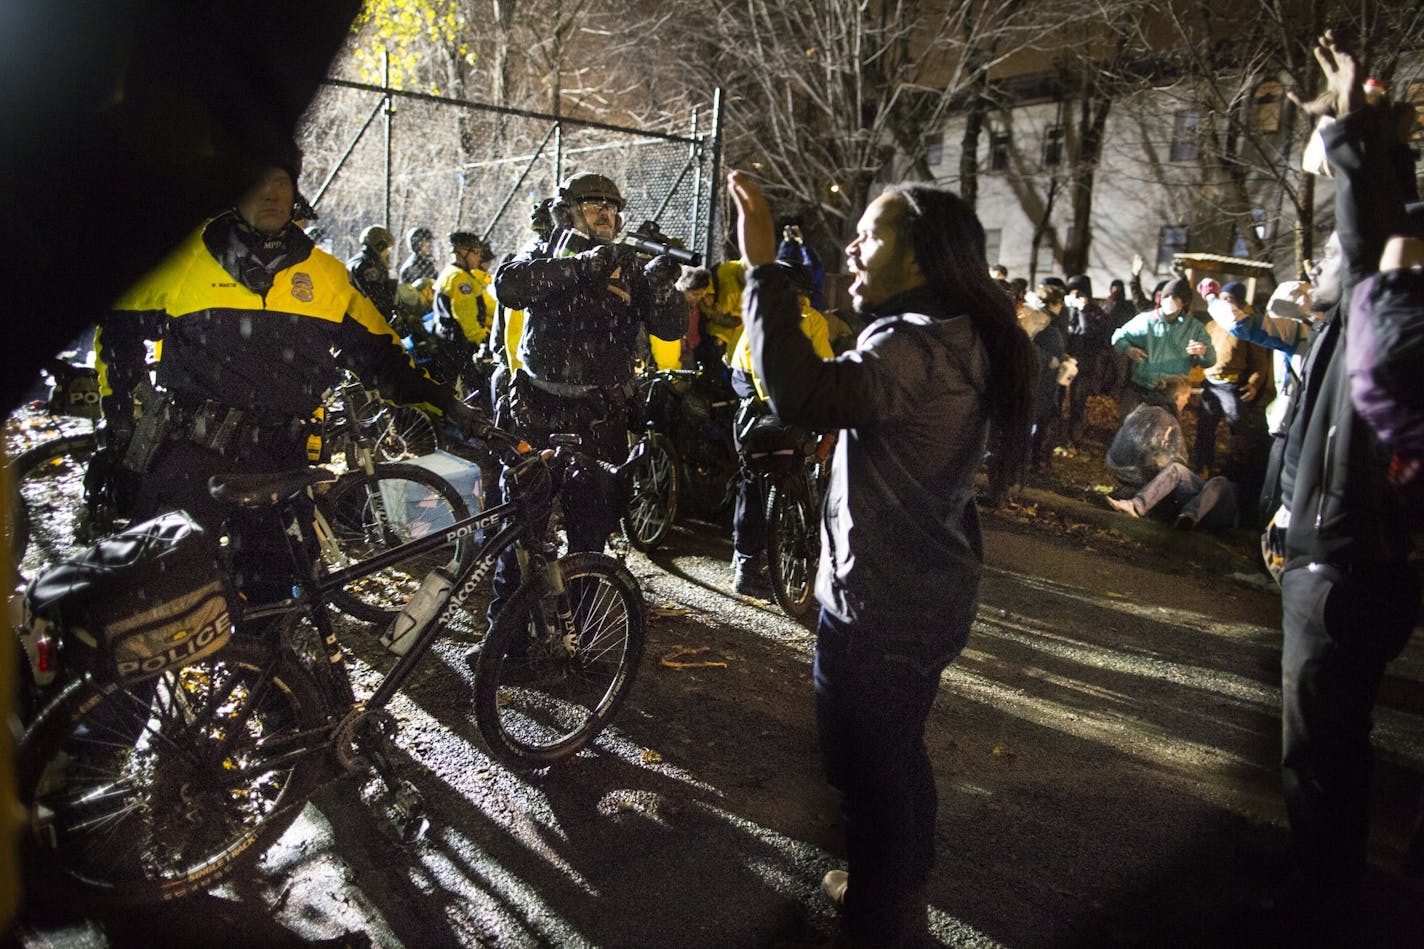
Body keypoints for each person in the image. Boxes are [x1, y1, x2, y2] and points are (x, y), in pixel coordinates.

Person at [729, 169, 1035, 947]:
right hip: (929, 594)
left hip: (882, 603)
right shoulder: (960, 337)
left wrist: (763, 267)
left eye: (872, 234)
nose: (853, 248)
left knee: (865, 769)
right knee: (896, 754)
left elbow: (797, 391)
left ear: (922, 257)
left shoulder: (911, 346)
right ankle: (891, 888)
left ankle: (883, 917)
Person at [95, 151, 484, 599]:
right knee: (164, 604)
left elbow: (382, 359)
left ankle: (263, 667)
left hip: (282, 464)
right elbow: (119, 333)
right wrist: (119, 424)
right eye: (258, 180)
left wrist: (446, 402)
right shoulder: (183, 261)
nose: (272, 193)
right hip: (193, 457)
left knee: (273, 604)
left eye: (282, 181)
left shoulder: (326, 274)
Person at [1269, 34, 1420, 929]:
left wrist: (1359, 134)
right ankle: (1318, 874)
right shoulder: (1345, 327)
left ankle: (1318, 902)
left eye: (1336, 247)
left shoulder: (1385, 316)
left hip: (1350, 566)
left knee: (1322, 750)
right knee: (1324, 745)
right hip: (1332, 552)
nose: (1324, 259)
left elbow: (1374, 247)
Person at [476, 171, 685, 646]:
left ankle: (583, 642)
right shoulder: (548, 251)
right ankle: (504, 641)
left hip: (600, 421)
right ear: (569, 211)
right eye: (594, 207)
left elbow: (670, 329)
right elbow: (509, 286)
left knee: (591, 538)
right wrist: (582, 266)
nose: (606, 216)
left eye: (612, 209)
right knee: (522, 534)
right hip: (539, 414)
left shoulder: (629, 267)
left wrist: (664, 282)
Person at [727, 260, 834, 596]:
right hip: (786, 409)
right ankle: (796, 550)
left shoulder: (756, 316)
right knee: (797, 471)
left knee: (751, 484)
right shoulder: (811, 320)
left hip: (756, 413)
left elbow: (738, 369)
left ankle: (745, 561)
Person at [1102, 373, 1237, 531]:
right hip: (1194, 497)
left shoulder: (1144, 409)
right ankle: (1140, 507)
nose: (1186, 403)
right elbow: (1170, 458)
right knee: (1182, 471)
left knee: (1220, 482)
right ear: (1177, 397)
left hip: (1216, 504)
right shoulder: (1164, 417)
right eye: (1185, 399)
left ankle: (1187, 516)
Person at [1191, 280, 1275, 520]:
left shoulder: (1245, 326)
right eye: (1222, 299)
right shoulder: (1211, 325)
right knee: (1205, 428)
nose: (1223, 304)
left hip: (1231, 385)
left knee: (1238, 431)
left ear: (1238, 302)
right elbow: (1201, 353)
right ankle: (1203, 469)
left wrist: (1255, 382)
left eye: (1228, 300)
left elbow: (1260, 361)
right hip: (1210, 383)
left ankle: (1232, 476)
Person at [1111, 277, 1214, 415]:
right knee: (1130, 431)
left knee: (1164, 433)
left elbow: (1210, 361)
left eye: (1176, 297)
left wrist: (1204, 351)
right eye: (1167, 296)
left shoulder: (1194, 328)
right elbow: (1118, 337)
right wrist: (1128, 349)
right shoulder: (1145, 321)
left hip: (1171, 394)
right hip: (1140, 388)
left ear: (1184, 302)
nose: (1170, 300)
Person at [431, 230, 496, 389]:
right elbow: (466, 318)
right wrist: (485, 339)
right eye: (475, 252)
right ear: (461, 253)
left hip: (448, 339)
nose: (479, 257)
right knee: (481, 387)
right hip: (461, 345)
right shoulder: (460, 280)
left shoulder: (451, 273)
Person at [1061, 274, 1112, 448]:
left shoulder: (1096, 312)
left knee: (1078, 401)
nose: (1075, 296)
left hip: (1084, 364)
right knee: (1058, 401)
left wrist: (1083, 312)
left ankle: (1074, 437)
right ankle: (1059, 435)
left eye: (1078, 292)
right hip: (1064, 361)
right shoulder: (1066, 309)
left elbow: (1091, 335)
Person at [1021, 284, 1068, 471]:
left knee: (1040, 420)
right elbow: (1031, 348)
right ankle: (1027, 463)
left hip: (1046, 380)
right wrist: (1052, 360)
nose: (1062, 307)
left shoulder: (1048, 320)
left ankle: (1034, 462)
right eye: (1060, 303)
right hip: (1039, 381)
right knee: (1034, 420)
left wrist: (1062, 358)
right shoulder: (1039, 320)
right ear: (1054, 303)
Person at [346, 224, 397, 318]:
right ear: (380, 247)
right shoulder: (371, 267)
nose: (388, 253)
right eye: (386, 248)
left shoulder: (354, 261)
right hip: (368, 318)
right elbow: (378, 299)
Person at [777, 223, 828, 311]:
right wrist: (803, 243)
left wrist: (787, 242)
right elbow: (816, 269)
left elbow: (780, 265)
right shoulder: (812, 302)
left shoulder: (775, 305)